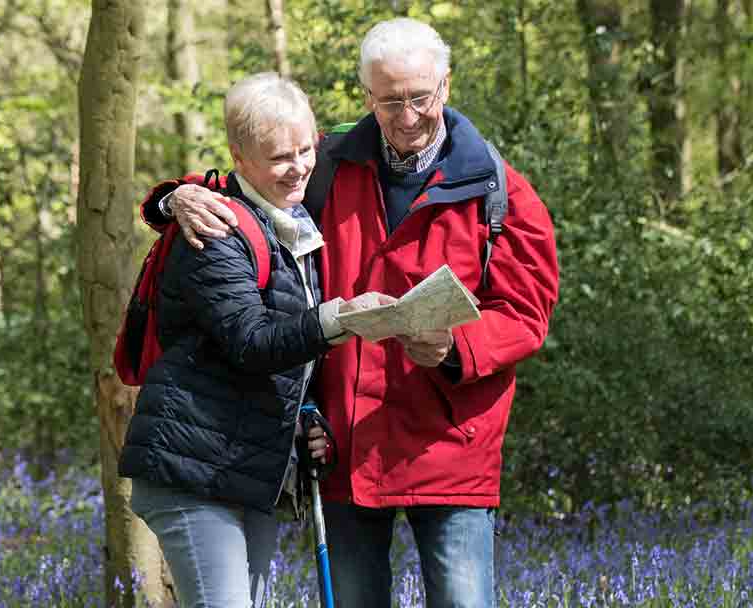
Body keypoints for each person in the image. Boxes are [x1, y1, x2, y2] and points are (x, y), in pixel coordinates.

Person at [138, 18, 560, 608]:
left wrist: (456, 348)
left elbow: (526, 311)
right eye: (390, 101)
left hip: (451, 444)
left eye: (421, 97)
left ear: (445, 85)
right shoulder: (327, 162)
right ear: (367, 97)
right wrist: (172, 198)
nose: (407, 116)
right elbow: (245, 184)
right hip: (346, 443)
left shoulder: (498, 189)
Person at [118, 72, 389, 608]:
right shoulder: (214, 231)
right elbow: (250, 341)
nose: (300, 166)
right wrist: (337, 318)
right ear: (240, 159)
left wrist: (305, 416)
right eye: (280, 157)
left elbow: (276, 360)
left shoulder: (293, 221)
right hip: (192, 467)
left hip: (246, 464)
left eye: (306, 150)